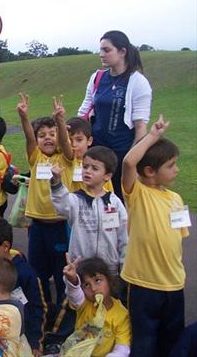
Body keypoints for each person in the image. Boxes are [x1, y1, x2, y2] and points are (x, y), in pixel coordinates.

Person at [121, 115, 187, 357]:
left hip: (173, 284)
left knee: (172, 341)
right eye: (170, 165)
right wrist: (152, 136)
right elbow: (129, 163)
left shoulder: (176, 199)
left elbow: (178, 239)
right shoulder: (137, 193)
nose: (177, 169)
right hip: (143, 285)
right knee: (144, 342)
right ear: (149, 171)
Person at [77, 30, 152, 199]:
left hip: (121, 152)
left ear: (122, 51)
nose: (101, 54)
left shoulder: (138, 82)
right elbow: (84, 112)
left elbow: (141, 127)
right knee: (90, 195)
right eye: (101, 50)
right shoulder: (97, 77)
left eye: (107, 50)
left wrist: (131, 161)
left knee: (118, 198)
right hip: (95, 150)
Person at [17, 93, 73, 306]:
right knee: (38, 274)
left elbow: (66, 144)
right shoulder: (36, 158)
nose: (48, 138)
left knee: (62, 273)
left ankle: (62, 313)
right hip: (38, 227)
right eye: (43, 135)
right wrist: (24, 116)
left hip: (60, 226)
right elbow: (29, 139)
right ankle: (42, 311)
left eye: (52, 134)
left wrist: (60, 120)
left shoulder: (65, 158)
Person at [0, 217, 48, 355]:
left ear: (5, 246)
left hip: (20, 339)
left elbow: (38, 309)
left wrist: (36, 342)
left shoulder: (26, 274)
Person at [50, 146, 128, 276]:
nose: (87, 171)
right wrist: (56, 182)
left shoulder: (114, 203)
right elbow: (62, 204)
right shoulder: (76, 200)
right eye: (85, 167)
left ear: (107, 176)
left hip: (109, 269)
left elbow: (123, 236)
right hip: (80, 268)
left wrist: (123, 264)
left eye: (95, 168)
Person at [63, 256, 131, 356]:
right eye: (86, 285)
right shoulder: (84, 304)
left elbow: (122, 348)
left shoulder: (122, 315)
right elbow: (74, 295)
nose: (93, 288)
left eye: (98, 280)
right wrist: (72, 280)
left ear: (109, 281)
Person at [62, 117, 113, 193]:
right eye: (69, 140)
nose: (73, 144)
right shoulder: (60, 160)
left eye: (79, 140)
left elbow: (109, 193)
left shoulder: (99, 163)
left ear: (89, 141)